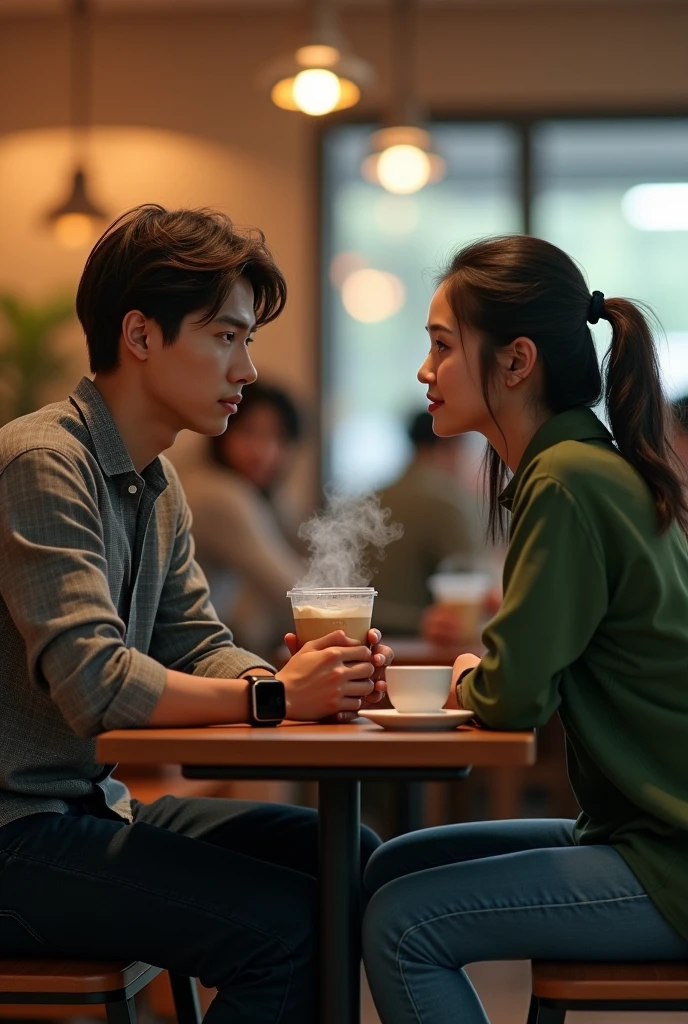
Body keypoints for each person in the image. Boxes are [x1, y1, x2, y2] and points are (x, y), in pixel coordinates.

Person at [0, 204, 392, 1024]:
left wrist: (284, 676)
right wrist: (277, 701)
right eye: (227, 337)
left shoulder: (158, 481)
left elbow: (195, 641)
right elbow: (94, 686)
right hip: (18, 832)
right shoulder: (42, 461)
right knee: (283, 928)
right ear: (140, 336)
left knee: (349, 858)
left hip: (89, 805)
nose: (246, 370)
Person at [362, 235, 688, 1024]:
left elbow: (513, 699)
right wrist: (488, 666)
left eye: (441, 346)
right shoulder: (580, 466)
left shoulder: (569, 480)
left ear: (516, 362)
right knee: (390, 864)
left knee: (401, 923)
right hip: (641, 830)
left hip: (668, 858)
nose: (423, 370)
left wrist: (476, 670)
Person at [180, 382, 305, 659]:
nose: (264, 452)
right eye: (248, 433)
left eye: (279, 438)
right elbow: (293, 593)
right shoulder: (221, 495)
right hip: (184, 657)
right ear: (222, 433)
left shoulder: (241, 490)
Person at [371, 409, 482, 635]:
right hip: (424, 651)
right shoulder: (447, 502)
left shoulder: (370, 499)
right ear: (449, 447)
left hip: (362, 643)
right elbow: (473, 584)